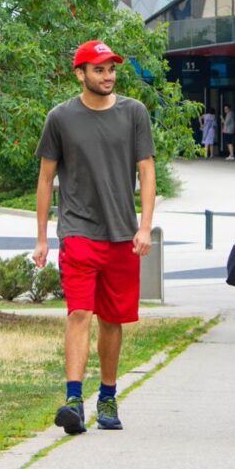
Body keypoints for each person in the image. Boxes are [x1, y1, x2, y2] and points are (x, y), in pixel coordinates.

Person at [32, 40, 156, 435]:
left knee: (112, 319)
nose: (108, 76)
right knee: (79, 312)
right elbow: (47, 178)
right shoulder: (60, 118)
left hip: (122, 233)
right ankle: (73, 400)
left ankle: (106, 395)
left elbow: (147, 171)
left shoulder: (133, 113)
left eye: (111, 69)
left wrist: (144, 225)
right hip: (78, 231)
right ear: (79, 73)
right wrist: (41, 238)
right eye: (99, 69)